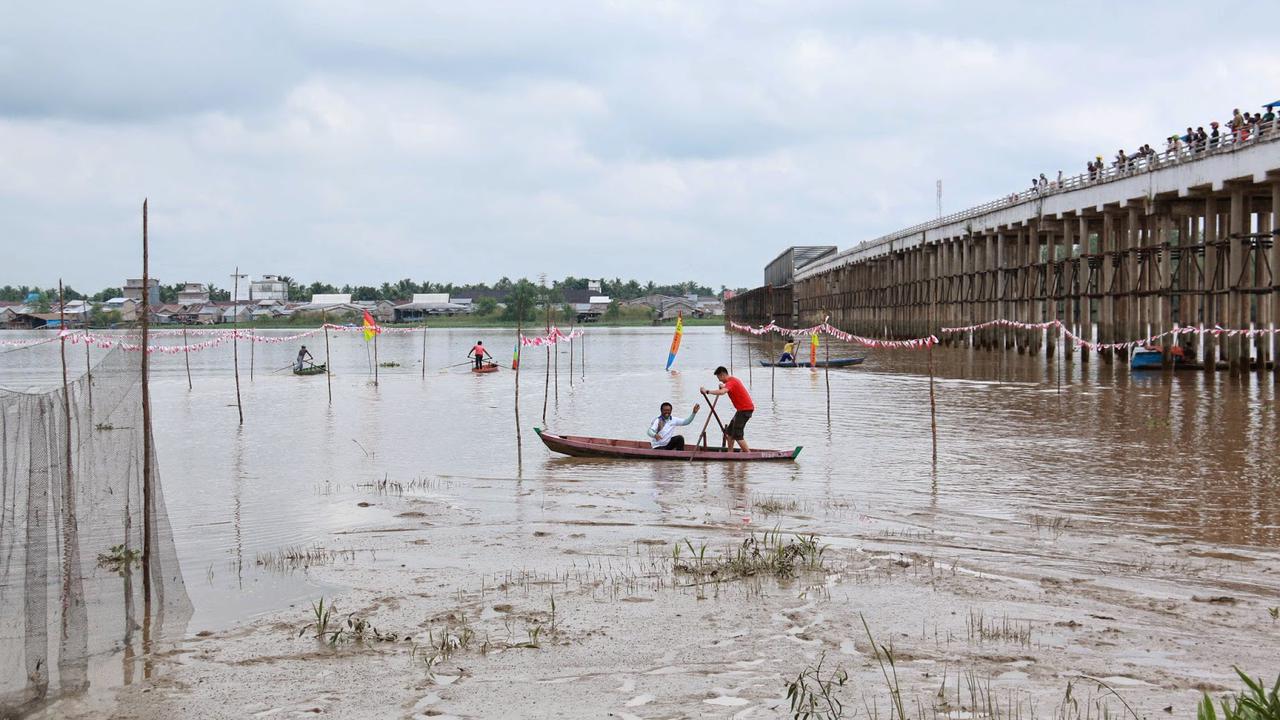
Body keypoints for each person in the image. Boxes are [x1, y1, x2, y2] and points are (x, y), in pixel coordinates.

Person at [701, 366, 754, 453]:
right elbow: (727, 387)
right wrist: (723, 385)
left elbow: (722, 392)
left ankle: (748, 454)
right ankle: (730, 453)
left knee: (737, 434)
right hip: (741, 410)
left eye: (719, 378)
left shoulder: (731, 382)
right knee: (729, 432)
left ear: (722, 375)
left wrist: (707, 391)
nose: (719, 380)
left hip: (745, 410)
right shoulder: (732, 381)